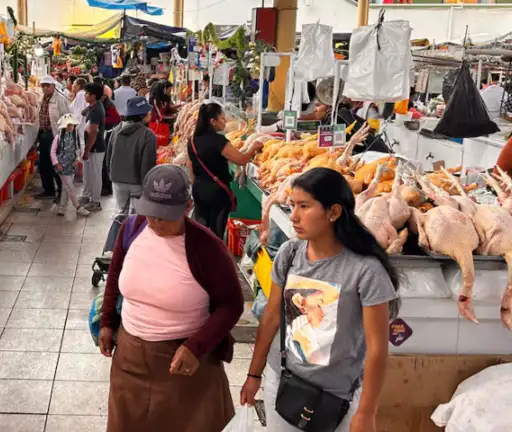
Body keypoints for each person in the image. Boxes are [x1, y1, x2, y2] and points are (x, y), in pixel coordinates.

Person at [240, 168, 400, 432]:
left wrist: (367, 411)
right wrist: (254, 374)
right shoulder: (290, 254)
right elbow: (271, 317)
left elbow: (377, 348)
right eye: (292, 206)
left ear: (333, 212)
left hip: (337, 396)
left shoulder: (365, 270)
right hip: (284, 383)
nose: (294, 217)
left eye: (304, 206)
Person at [100, 164, 243, 432]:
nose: (155, 222)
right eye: (151, 213)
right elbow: (114, 278)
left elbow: (231, 305)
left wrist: (196, 347)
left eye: (165, 216)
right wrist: (107, 322)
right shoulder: (132, 229)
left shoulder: (207, 247)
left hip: (184, 364)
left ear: (187, 206)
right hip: (130, 360)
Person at [187, 102, 263, 239]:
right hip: (217, 192)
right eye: (222, 118)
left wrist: (196, 185)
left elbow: (189, 165)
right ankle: (214, 258)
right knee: (216, 233)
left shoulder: (192, 141)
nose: (225, 121)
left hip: (199, 189)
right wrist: (253, 148)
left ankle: (199, 257)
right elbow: (241, 159)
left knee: (200, 229)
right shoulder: (218, 141)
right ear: (212, 121)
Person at [106, 96, 156, 214]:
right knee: (136, 218)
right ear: (142, 116)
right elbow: (147, 163)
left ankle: (121, 231)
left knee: (122, 213)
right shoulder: (148, 135)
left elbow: (109, 156)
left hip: (117, 180)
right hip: (137, 183)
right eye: (148, 112)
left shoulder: (116, 130)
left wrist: (112, 175)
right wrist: (147, 186)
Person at [36, 75, 70, 200]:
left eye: (47, 86)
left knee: (56, 164)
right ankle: (48, 190)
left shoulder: (61, 100)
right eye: (43, 86)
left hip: (56, 135)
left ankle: (61, 192)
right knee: (43, 163)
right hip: (44, 134)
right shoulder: (41, 99)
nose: (45, 88)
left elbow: (68, 118)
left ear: (53, 86)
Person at [50, 115, 90, 217]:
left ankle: (62, 207)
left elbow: (80, 149)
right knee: (70, 187)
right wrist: (57, 163)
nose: (70, 127)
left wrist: (77, 160)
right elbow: (53, 151)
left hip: (72, 166)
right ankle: (77, 207)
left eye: (72, 125)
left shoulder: (75, 136)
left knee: (66, 187)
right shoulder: (58, 137)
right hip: (62, 166)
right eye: (68, 125)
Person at [79, 82, 107, 212]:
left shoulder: (96, 110)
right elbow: (83, 113)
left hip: (95, 147)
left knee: (95, 175)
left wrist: (87, 150)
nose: (84, 95)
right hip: (91, 147)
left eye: (87, 94)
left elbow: (93, 133)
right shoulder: (93, 107)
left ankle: (96, 201)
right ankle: (86, 195)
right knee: (88, 173)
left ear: (93, 96)